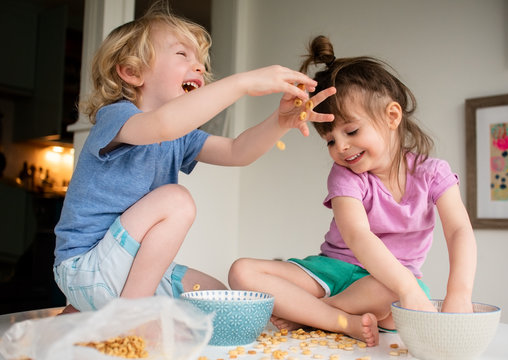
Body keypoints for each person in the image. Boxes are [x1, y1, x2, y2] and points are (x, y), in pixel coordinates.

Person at [53, 3, 336, 313]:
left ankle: (86, 315)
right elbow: (162, 125)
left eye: (200, 60)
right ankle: (129, 317)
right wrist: (241, 83)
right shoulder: (116, 116)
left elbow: (237, 152)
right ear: (132, 72)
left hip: (122, 274)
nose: (199, 66)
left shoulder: (179, 135)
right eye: (182, 55)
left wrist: (279, 123)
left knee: (215, 295)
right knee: (176, 199)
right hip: (87, 270)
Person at [228, 35, 477, 347]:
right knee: (242, 272)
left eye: (351, 131)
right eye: (330, 140)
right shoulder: (346, 175)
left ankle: (312, 315)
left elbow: (458, 232)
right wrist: (407, 289)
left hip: (387, 285)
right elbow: (358, 237)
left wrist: (458, 293)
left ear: (392, 117)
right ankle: (337, 319)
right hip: (331, 271)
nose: (341, 147)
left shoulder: (433, 173)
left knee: (393, 287)